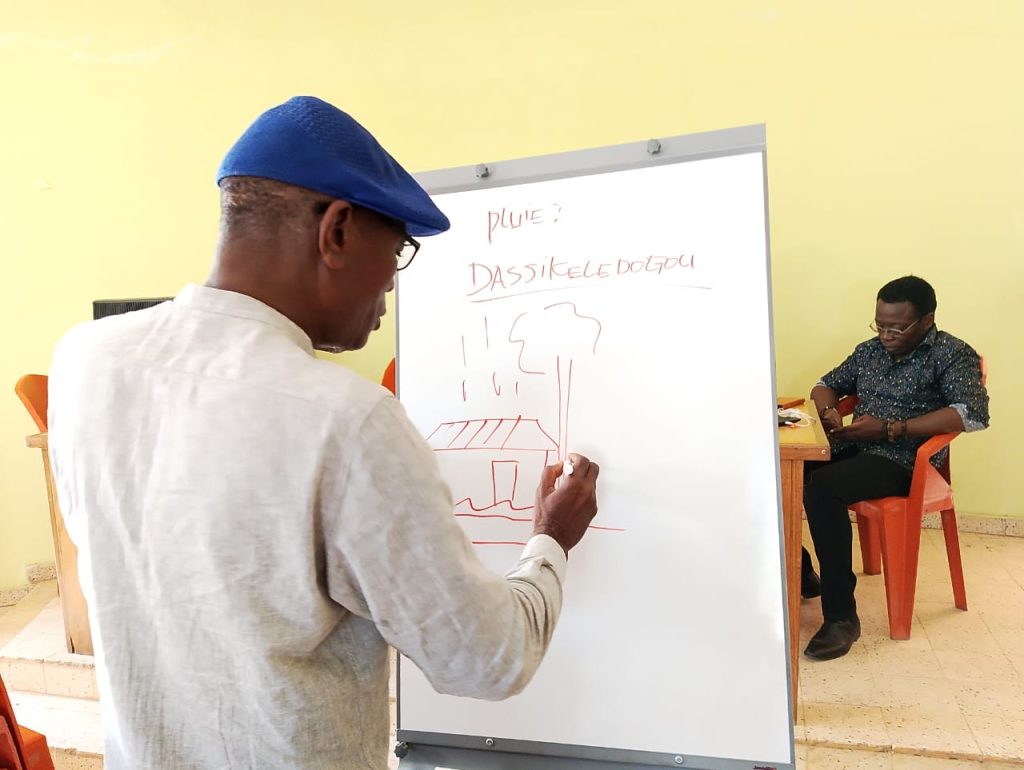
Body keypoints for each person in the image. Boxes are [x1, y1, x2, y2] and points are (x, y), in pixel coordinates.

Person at [47, 96, 600, 768]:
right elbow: (486, 659)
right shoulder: (346, 420)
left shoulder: (86, 358)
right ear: (336, 231)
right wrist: (551, 540)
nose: (392, 289)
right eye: (396, 253)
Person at [802, 275, 988, 661]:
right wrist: (830, 412)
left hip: (904, 460)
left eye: (897, 327)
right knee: (782, 470)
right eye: (880, 324)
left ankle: (840, 618)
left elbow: (969, 415)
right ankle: (803, 571)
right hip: (855, 443)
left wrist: (890, 429)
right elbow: (824, 385)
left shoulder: (952, 354)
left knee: (823, 488)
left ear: (926, 320)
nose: (886, 335)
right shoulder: (869, 351)